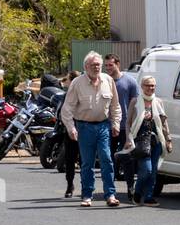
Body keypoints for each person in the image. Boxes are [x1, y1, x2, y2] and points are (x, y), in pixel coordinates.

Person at [60, 51, 122, 208]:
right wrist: (71, 128)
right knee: (87, 163)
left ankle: (110, 194)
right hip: (84, 127)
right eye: (94, 65)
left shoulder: (108, 80)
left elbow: (115, 105)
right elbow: (67, 108)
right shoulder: (77, 83)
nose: (97, 68)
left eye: (99, 65)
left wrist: (115, 123)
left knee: (107, 159)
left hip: (103, 126)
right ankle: (87, 195)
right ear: (86, 66)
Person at [124, 75, 173, 206]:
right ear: (142, 86)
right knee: (147, 169)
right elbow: (128, 123)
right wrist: (129, 138)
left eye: (152, 85)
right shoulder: (135, 101)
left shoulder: (158, 102)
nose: (150, 88)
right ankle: (138, 192)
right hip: (140, 140)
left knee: (154, 171)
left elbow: (164, 122)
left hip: (156, 140)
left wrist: (168, 139)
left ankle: (149, 196)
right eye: (147, 85)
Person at [104, 54, 139, 202]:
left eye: (110, 65)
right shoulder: (104, 81)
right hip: (108, 125)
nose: (108, 68)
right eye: (106, 66)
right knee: (108, 158)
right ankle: (110, 191)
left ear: (118, 64)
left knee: (127, 158)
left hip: (125, 126)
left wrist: (132, 124)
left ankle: (131, 187)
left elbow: (136, 102)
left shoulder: (129, 81)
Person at [58, 70, 80, 198]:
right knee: (70, 159)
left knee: (85, 160)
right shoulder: (66, 94)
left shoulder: (83, 92)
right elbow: (63, 111)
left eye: (67, 79)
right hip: (69, 129)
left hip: (83, 127)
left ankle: (86, 186)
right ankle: (69, 185)